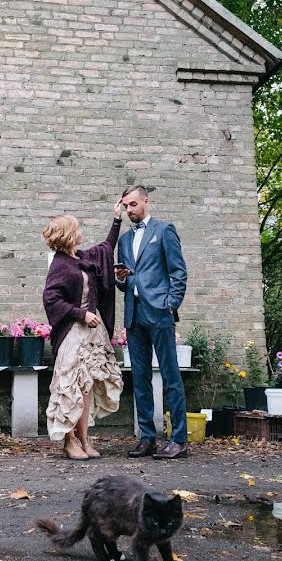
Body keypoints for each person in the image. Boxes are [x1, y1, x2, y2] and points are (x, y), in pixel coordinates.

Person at [42, 202, 124, 460]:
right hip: (72, 333)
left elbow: (106, 248)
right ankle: (69, 441)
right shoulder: (60, 264)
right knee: (71, 385)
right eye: (77, 228)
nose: (81, 232)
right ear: (68, 234)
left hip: (92, 334)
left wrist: (116, 220)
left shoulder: (82, 258)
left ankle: (85, 440)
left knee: (87, 385)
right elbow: (51, 299)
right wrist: (81, 313)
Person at [115, 185, 188, 459]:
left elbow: (178, 272)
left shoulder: (164, 230)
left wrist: (171, 305)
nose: (129, 210)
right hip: (134, 315)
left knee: (170, 376)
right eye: (125, 206)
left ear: (146, 201)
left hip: (159, 313)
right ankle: (147, 438)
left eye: (133, 204)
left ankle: (178, 439)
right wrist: (120, 279)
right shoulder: (123, 240)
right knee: (140, 378)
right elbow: (123, 282)